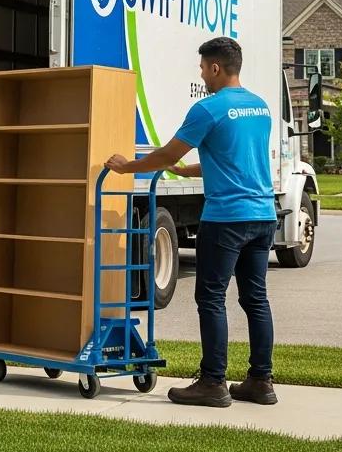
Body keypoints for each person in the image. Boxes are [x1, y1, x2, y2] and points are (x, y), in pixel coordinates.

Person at [107, 37, 277, 408]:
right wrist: (188, 171)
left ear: (215, 67)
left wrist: (127, 167)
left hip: (227, 218)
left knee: (211, 298)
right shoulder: (259, 107)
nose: (201, 74)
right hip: (263, 215)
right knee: (256, 299)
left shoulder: (209, 108)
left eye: (202, 67)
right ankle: (261, 381)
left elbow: (168, 151)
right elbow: (238, 159)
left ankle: (213, 382)